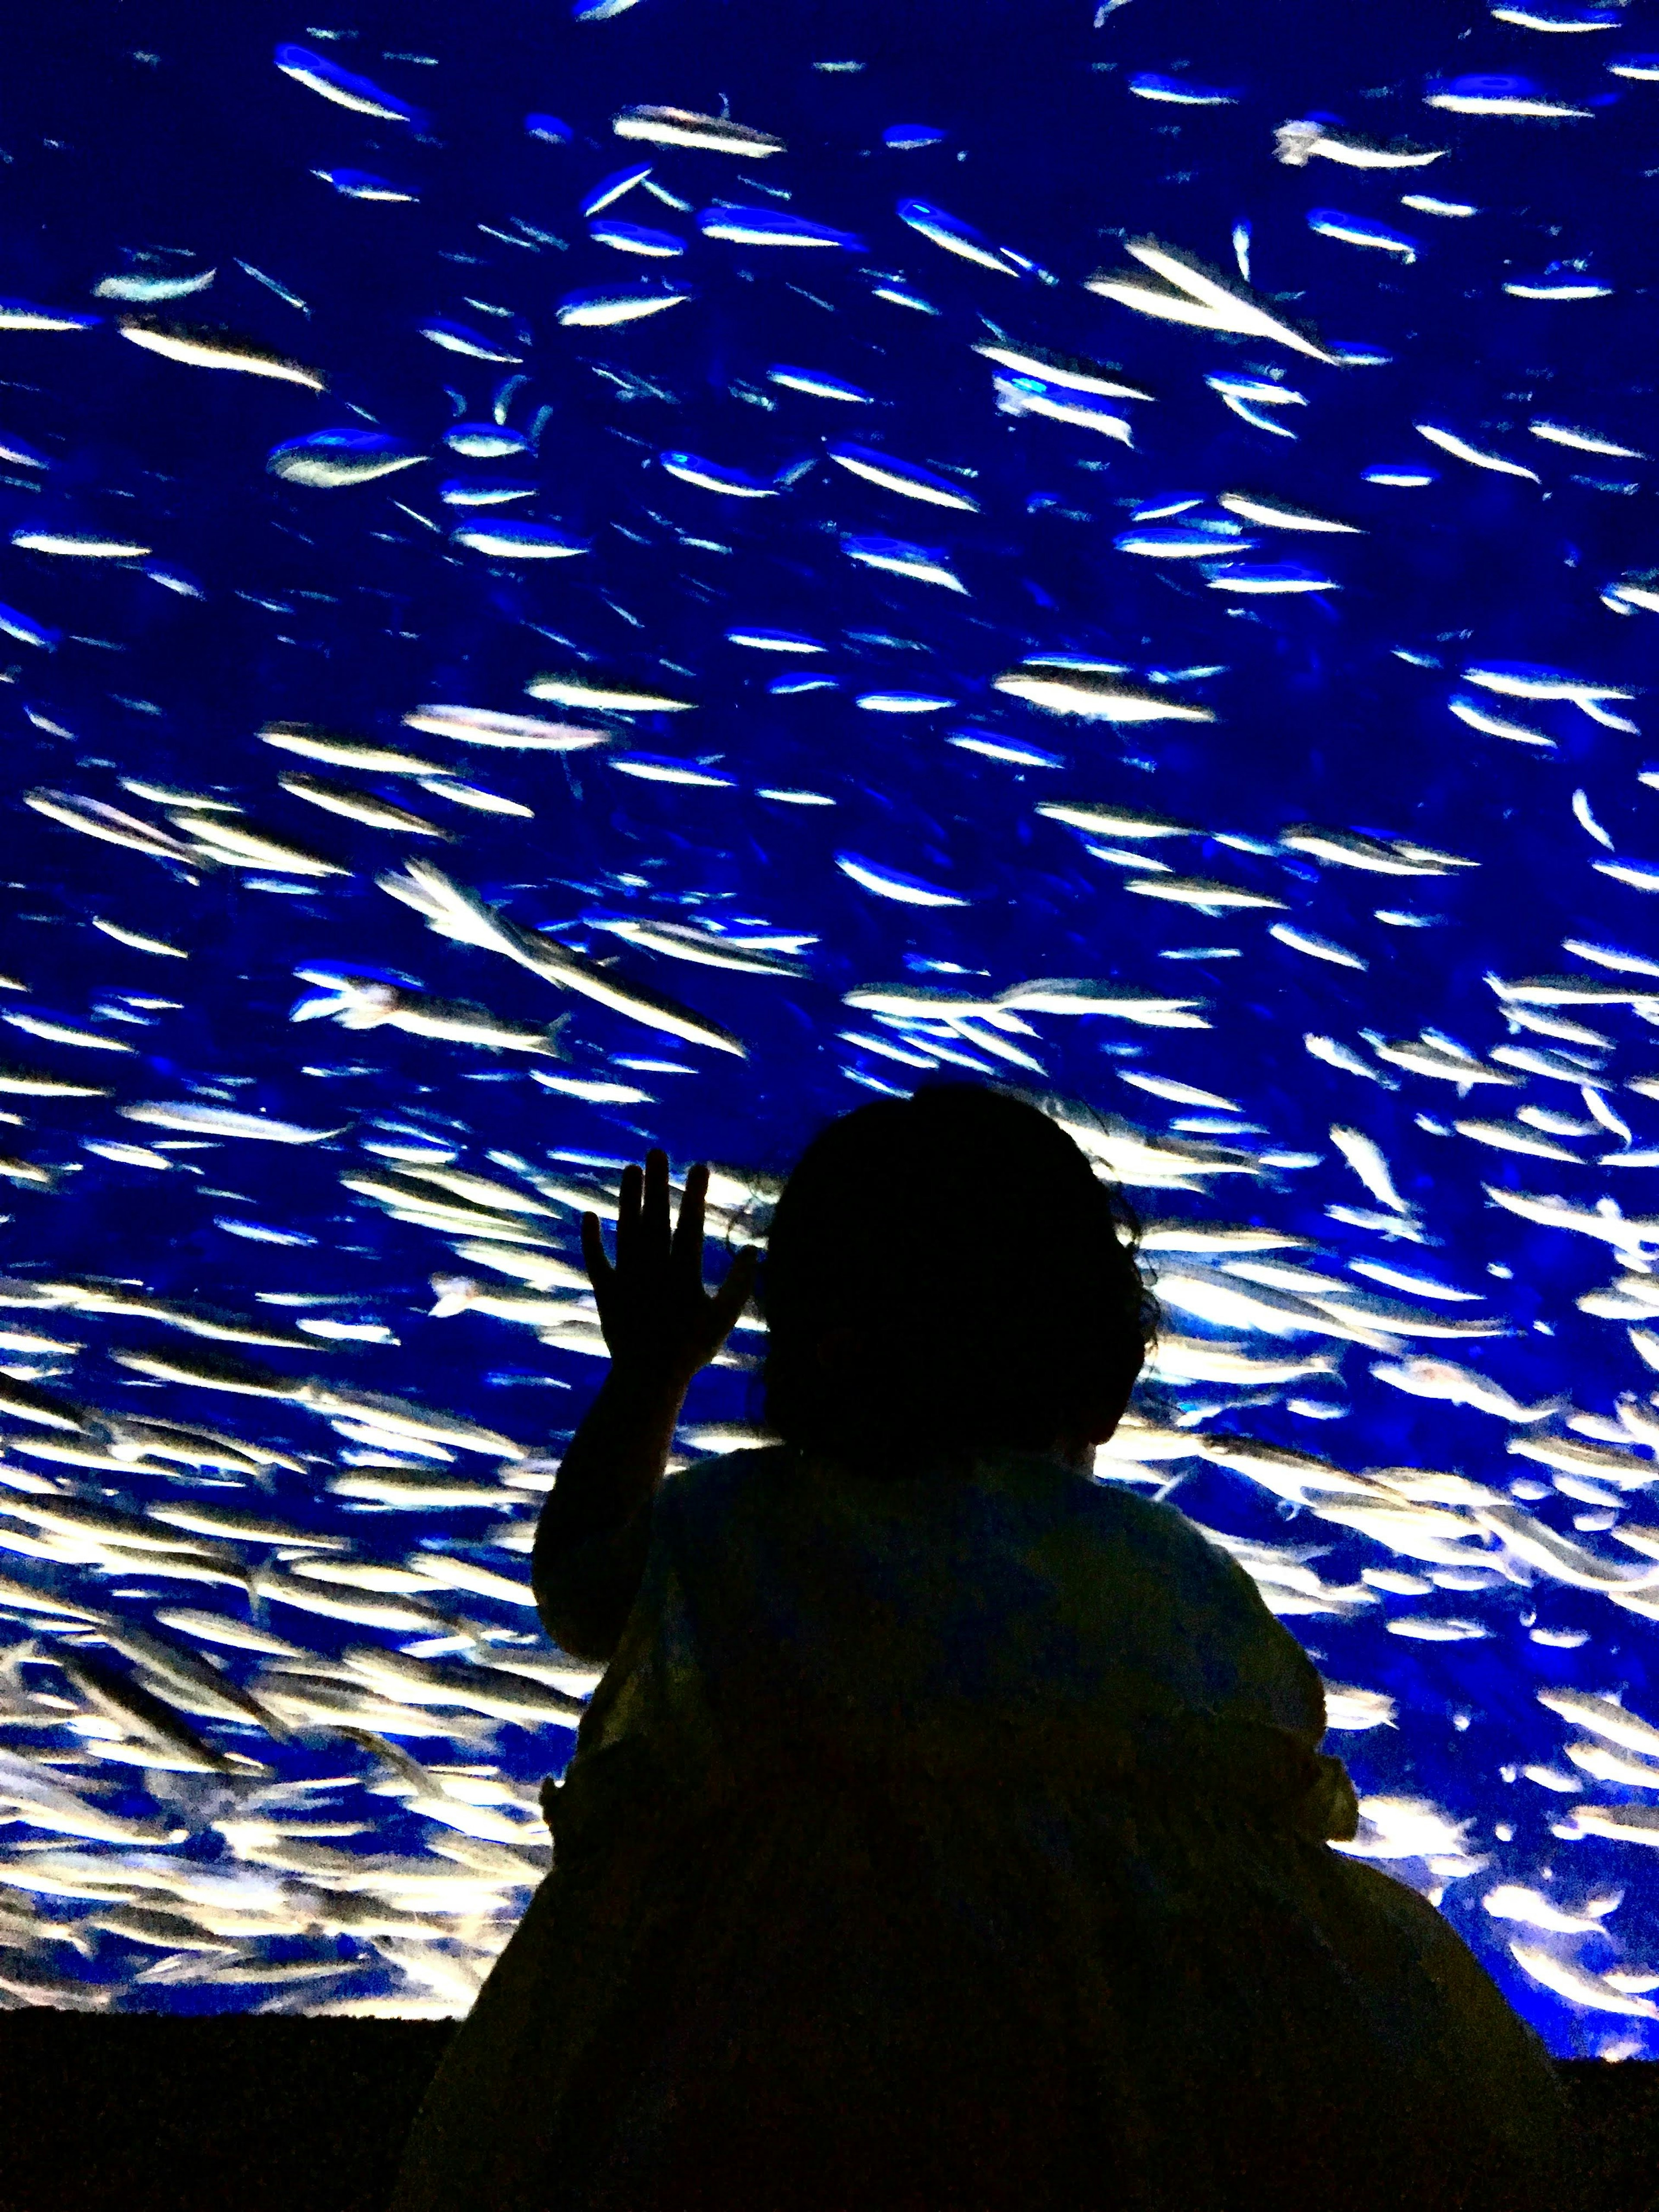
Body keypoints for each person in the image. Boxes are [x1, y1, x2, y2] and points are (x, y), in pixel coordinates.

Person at [391, 1083, 1573, 2212]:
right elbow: (1266, 1763)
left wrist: (648, 1379)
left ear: (799, 1352)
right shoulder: (1169, 1565)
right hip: (1140, 2078)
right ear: (1105, 1374)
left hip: (772, 2065)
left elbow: (580, 1590)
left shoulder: (731, 1525)